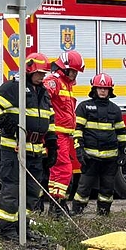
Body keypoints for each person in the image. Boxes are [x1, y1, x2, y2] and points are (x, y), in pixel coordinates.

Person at [0, 53, 56, 240]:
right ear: (29, 70)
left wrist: (52, 144)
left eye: (44, 73)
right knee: (12, 189)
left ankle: (23, 227)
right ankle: (6, 229)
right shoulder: (13, 88)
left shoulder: (43, 93)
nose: (42, 76)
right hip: (14, 149)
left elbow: (49, 120)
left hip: (35, 150)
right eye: (39, 73)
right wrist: (7, 126)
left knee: (33, 191)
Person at [72, 73, 126, 216]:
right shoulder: (84, 107)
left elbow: (121, 132)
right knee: (84, 187)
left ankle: (103, 214)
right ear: (94, 89)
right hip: (90, 157)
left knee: (107, 188)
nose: (103, 91)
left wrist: (124, 151)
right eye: (100, 88)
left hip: (110, 158)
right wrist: (79, 150)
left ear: (110, 90)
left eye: (105, 88)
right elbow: (78, 131)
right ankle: (77, 212)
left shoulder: (115, 109)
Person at [43, 50, 84, 214]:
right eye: (72, 71)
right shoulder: (54, 81)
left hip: (65, 134)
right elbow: (43, 100)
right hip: (57, 133)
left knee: (57, 170)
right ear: (64, 68)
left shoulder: (66, 83)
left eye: (76, 72)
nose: (74, 74)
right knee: (64, 169)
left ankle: (55, 203)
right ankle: (58, 204)